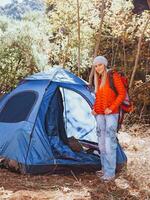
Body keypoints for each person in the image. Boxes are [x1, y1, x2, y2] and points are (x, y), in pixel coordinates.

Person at [91, 56, 126, 181]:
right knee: (101, 145)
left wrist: (111, 108)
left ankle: (110, 174)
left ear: (104, 65)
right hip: (100, 115)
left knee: (109, 143)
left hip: (111, 115)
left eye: (100, 65)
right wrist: (95, 109)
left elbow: (122, 94)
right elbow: (99, 98)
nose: (98, 67)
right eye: (96, 66)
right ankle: (104, 169)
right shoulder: (99, 79)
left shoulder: (113, 75)